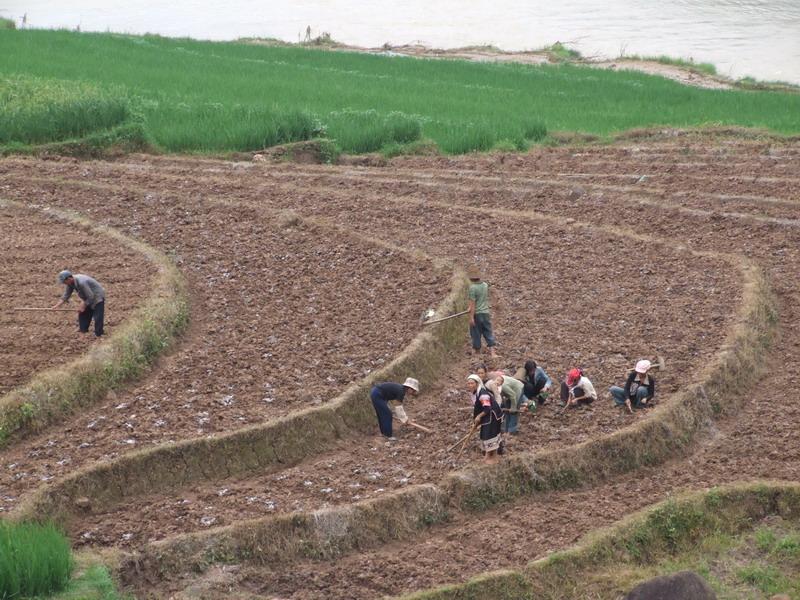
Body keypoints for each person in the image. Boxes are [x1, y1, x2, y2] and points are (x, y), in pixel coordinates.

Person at [51, 270, 106, 337]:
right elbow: (66, 295)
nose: (64, 283)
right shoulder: (70, 283)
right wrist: (56, 306)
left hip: (97, 296)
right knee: (82, 313)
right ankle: (83, 330)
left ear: (69, 278)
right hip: (88, 296)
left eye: (64, 282)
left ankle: (98, 334)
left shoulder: (81, 282)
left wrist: (84, 305)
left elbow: (91, 296)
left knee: (97, 316)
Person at [467, 374, 503, 463]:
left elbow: (487, 408)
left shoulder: (483, 394)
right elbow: (478, 408)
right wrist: (476, 421)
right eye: (469, 383)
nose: (470, 385)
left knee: (490, 435)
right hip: (487, 416)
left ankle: (494, 458)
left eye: (472, 383)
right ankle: (488, 456)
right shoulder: (475, 394)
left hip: (493, 416)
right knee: (484, 435)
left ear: (477, 383)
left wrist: (479, 416)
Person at [467, 265, 498, 359]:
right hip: (486, 313)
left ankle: (477, 352)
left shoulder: (472, 288)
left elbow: (473, 304)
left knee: (476, 333)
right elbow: (481, 299)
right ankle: (493, 353)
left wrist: (471, 317)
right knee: (488, 331)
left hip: (477, 314)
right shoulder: (485, 285)